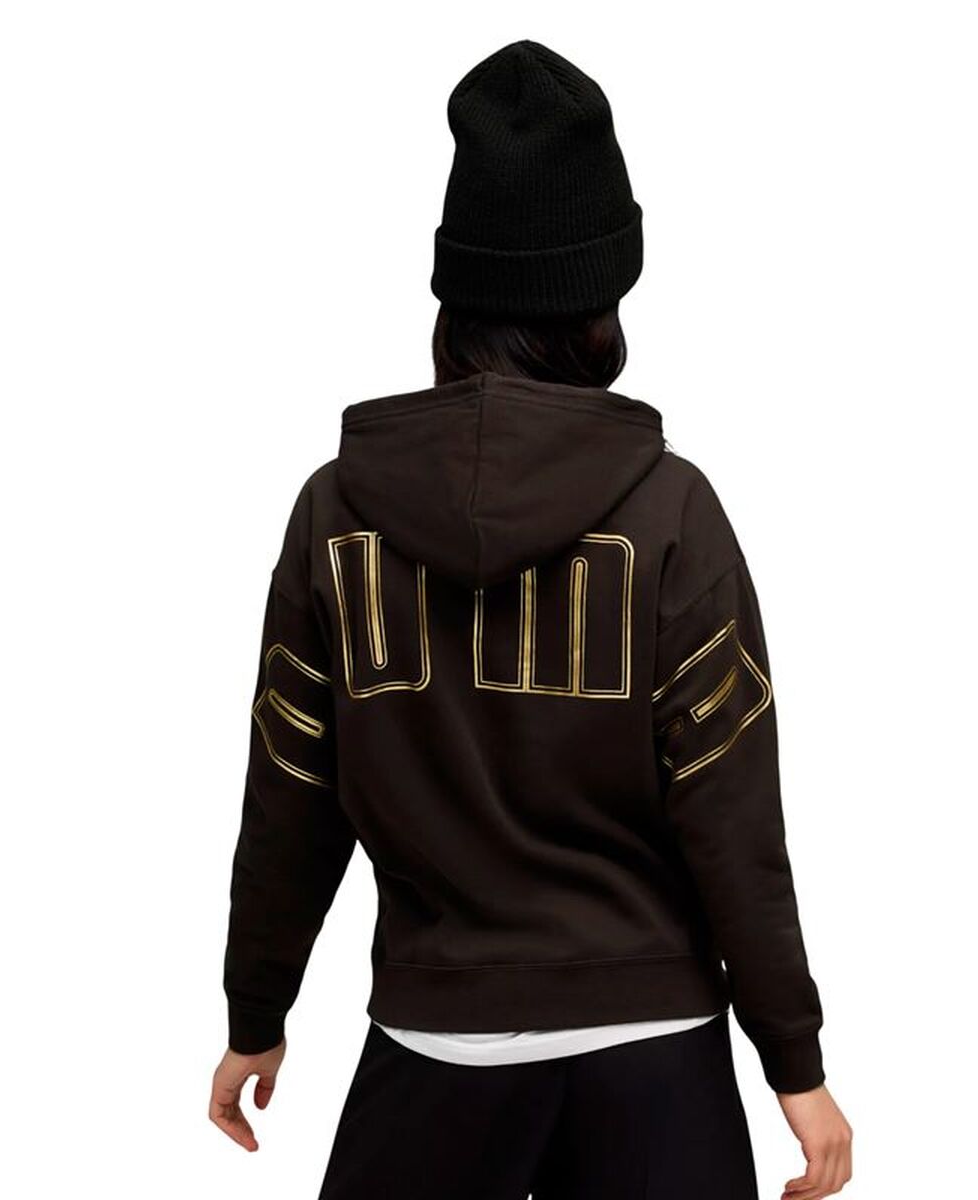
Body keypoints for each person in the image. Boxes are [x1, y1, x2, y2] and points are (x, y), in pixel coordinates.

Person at [208, 38, 853, 1200]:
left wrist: (257, 1011)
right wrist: (793, 1062)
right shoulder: (671, 511)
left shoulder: (336, 515)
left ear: (454, 292)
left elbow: (290, 792)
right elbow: (732, 817)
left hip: (434, 1049)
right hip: (655, 1059)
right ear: (604, 297)